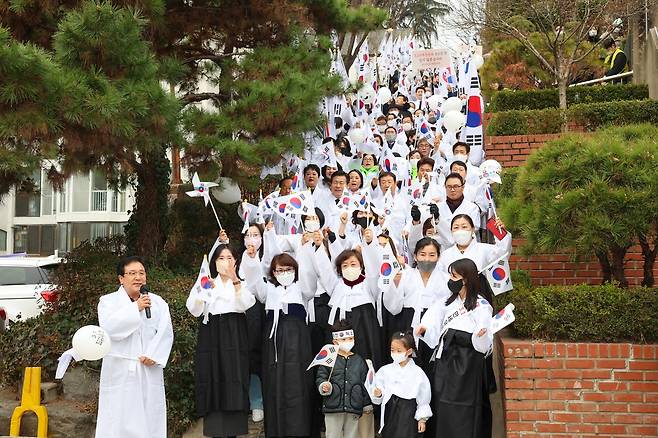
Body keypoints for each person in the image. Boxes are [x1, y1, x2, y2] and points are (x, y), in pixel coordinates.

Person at [95, 256, 174, 438]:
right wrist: (135, 308)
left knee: (150, 416)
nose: (138, 277)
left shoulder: (158, 302)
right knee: (118, 418)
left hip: (148, 367)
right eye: (132, 273)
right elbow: (108, 328)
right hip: (120, 369)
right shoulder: (107, 302)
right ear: (121, 278)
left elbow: (165, 332)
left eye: (141, 273)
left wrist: (154, 354)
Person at [242, 250, 318, 438]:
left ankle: (302, 430)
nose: (284, 273)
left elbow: (310, 281)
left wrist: (306, 247)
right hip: (273, 341)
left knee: (299, 382)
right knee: (274, 382)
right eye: (279, 270)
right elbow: (254, 282)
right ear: (273, 273)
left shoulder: (302, 289)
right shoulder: (269, 290)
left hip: (298, 341)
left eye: (288, 269)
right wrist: (252, 259)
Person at [417, 258, 494, 438]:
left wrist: (481, 335)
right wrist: (424, 329)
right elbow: (432, 320)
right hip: (445, 357)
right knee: (441, 402)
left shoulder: (481, 304)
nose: (451, 279)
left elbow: (484, 338)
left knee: (466, 406)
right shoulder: (446, 301)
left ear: (466, 279)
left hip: (468, 359)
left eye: (454, 275)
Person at [187, 245, 257, 438]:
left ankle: (234, 431)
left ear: (235, 261)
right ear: (214, 262)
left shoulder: (242, 282)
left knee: (235, 377)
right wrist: (202, 292)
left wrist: (235, 281)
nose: (225, 262)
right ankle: (215, 430)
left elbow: (246, 304)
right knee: (213, 377)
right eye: (220, 258)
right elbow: (194, 309)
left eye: (229, 257)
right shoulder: (207, 282)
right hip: (212, 335)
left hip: (235, 335)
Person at [385, 237, 448, 373]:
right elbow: (393, 308)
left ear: (438, 257)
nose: (427, 259)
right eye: (422, 254)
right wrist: (394, 284)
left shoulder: (446, 279)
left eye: (432, 255)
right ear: (415, 256)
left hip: (434, 325)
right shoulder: (405, 275)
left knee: (433, 366)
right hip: (408, 323)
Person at [371, 331, 432, 438]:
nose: (395, 353)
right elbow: (378, 394)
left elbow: (423, 398)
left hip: (408, 413)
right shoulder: (385, 370)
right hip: (389, 412)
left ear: (408, 351)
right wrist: (378, 394)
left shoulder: (418, 372)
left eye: (399, 351)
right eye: (392, 350)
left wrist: (422, 419)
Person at [316, 320, 372, 438]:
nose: (348, 342)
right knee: (332, 435)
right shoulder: (329, 358)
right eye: (343, 340)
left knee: (352, 435)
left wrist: (366, 404)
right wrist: (324, 386)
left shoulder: (359, 361)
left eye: (350, 339)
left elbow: (365, 384)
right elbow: (321, 376)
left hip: (354, 407)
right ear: (335, 342)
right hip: (333, 406)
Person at [438, 214, 511, 274]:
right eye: (456, 227)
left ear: (473, 229)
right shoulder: (445, 255)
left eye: (464, 227)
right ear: (451, 231)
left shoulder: (485, 250)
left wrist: (500, 232)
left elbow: (503, 253)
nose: (460, 231)